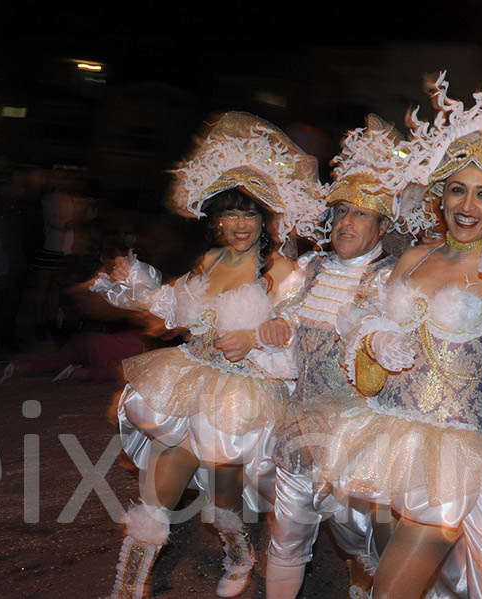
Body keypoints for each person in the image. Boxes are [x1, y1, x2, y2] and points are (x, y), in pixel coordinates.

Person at [298, 74, 482, 599]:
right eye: (458, 189)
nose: (467, 205)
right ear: (440, 195)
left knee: (390, 590)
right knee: (393, 571)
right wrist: (374, 342)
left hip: (453, 457)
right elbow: (363, 322)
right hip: (384, 438)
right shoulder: (415, 257)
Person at [91, 112, 324, 598]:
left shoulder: (286, 272)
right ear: (216, 217)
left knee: (223, 493)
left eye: (249, 213)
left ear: (267, 217)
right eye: (229, 213)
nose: (238, 224)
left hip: (241, 398)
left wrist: (259, 338)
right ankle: (127, 588)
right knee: (158, 491)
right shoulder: (208, 261)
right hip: (188, 380)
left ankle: (238, 549)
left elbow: (299, 339)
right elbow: (175, 309)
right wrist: (132, 283)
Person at [249, 115, 431, 599]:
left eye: (361, 214)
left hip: (357, 445)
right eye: (341, 211)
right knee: (285, 540)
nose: (345, 223)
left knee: (363, 543)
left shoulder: (394, 282)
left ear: (383, 224)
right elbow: (281, 320)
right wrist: (273, 327)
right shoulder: (309, 269)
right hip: (296, 427)